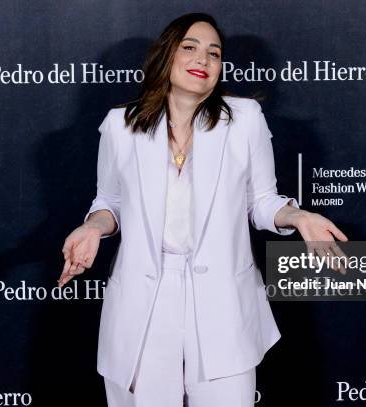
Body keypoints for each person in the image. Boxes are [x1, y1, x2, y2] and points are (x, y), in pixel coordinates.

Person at [58, 12, 347, 407]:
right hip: (144, 300)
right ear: (166, 57)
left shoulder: (244, 119)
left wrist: (298, 216)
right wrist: (93, 227)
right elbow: (110, 203)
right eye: (190, 48)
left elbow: (262, 202)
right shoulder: (120, 125)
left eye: (214, 53)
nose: (204, 60)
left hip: (223, 300)